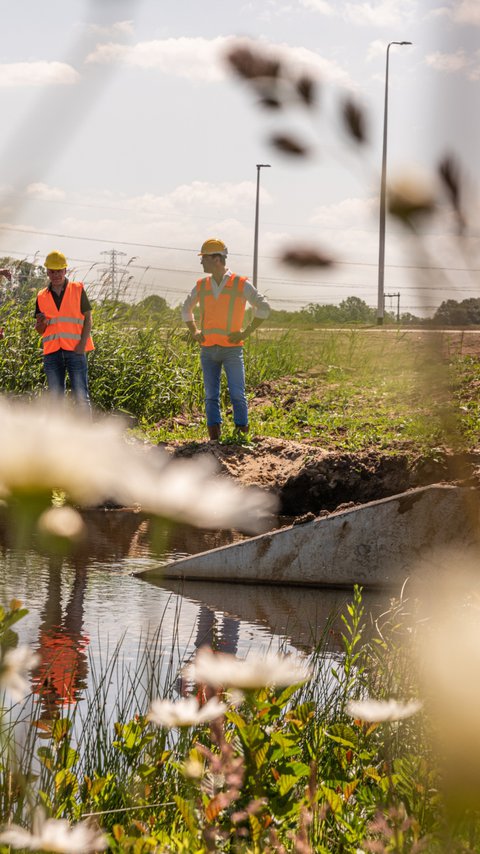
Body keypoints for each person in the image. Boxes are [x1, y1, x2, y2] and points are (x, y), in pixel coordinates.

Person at [182, 238, 270, 440]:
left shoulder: (240, 283)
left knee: (238, 394)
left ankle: (240, 438)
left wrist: (246, 332)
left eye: (203, 258)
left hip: (232, 350)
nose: (201, 262)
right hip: (207, 350)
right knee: (210, 396)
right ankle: (214, 440)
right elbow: (185, 309)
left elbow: (264, 307)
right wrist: (194, 331)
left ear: (216, 259)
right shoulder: (202, 285)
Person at [35, 251, 94, 407]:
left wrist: (81, 345)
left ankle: (85, 431)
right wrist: (40, 325)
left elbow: (88, 319)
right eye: (52, 271)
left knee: (81, 397)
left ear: (65, 271)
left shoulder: (78, 289)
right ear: (47, 272)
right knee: (55, 400)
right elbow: (41, 330)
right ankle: (59, 431)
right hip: (52, 353)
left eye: (59, 271)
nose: (56, 275)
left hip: (75, 351)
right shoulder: (41, 296)